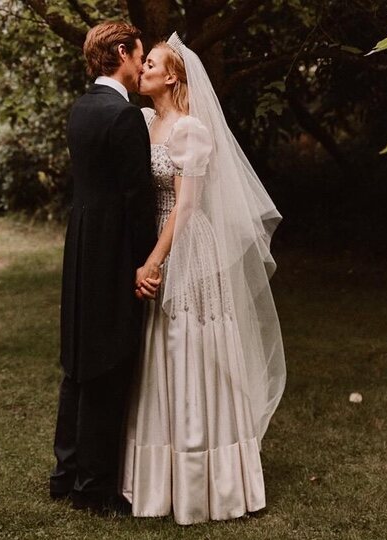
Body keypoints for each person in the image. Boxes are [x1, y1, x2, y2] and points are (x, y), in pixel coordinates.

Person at [121, 33, 286, 525]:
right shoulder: (147, 121)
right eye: (143, 62)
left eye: (150, 63)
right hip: (157, 237)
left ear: (171, 76)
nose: (142, 69)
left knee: (189, 348)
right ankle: (157, 479)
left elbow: (188, 205)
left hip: (187, 244)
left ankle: (208, 482)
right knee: (158, 352)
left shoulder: (190, 129)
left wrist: (154, 262)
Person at [51, 21, 160, 514]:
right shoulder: (125, 116)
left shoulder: (81, 108)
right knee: (108, 361)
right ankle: (93, 488)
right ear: (122, 52)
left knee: (77, 358)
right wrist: (145, 261)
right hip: (115, 247)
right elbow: (138, 200)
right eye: (139, 56)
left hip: (81, 245)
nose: (142, 66)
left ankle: (66, 472)